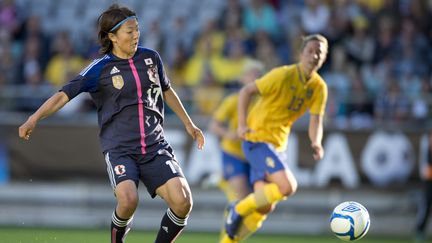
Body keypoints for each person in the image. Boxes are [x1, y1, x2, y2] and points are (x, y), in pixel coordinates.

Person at [18, 4, 205, 243]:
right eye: (129, 31)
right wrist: (34, 118)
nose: (136, 34)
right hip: (120, 148)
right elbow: (63, 95)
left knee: (183, 202)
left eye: (137, 29)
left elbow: (166, 90)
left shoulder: (151, 58)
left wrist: (189, 124)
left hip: (154, 145)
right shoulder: (100, 68)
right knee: (128, 200)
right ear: (112, 37)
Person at [223, 34, 329, 242]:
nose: (314, 55)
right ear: (301, 54)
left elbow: (316, 120)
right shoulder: (282, 75)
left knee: (264, 207)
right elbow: (246, 91)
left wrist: (316, 141)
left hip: (277, 145)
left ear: (324, 58)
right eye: (310, 51)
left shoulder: (319, 88)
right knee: (288, 186)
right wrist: (242, 124)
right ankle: (238, 208)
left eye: (320, 52)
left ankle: (227, 241)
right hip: (257, 139)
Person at [208, 60, 264, 240]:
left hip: (253, 156)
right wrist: (229, 134)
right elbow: (214, 126)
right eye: (251, 74)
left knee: (250, 203)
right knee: (239, 199)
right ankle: (227, 239)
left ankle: (222, 180)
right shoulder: (233, 100)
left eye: (258, 75)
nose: (255, 78)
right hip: (233, 153)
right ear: (243, 78)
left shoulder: (264, 103)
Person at [415, 131, 432, 242]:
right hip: (429, 178)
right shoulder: (427, 139)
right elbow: (425, 163)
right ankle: (420, 231)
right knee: (426, 204)